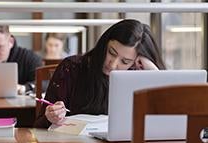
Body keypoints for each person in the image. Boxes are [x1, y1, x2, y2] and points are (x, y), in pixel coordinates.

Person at [34, 19, 166, 128]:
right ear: (104, 44)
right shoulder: (72, 68)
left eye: (125, 61)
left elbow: (164, 122)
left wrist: (153, 72)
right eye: (112, 52)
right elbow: (38, 126)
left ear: (135, 63)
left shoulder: (138, 75)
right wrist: (50, 116)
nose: (113, 64)